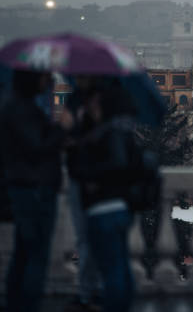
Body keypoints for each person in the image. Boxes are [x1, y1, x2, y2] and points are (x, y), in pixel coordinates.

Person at [0, 69, 72, 312]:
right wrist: (62, 128)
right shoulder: (22, 109)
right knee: (35, 257)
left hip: (26, 188)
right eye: (44, 77)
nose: (48, 81)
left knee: (23, 255)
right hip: (34, 190)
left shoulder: (16, 105)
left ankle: (15, 304)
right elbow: (37, 147)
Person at [70, 84, 137, 312]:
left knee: (112, 269)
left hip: (104, 207)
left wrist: (89, 175)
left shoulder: (105, 132)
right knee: (119, 265)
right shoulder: (124, 129)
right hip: (120, 207)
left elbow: (114, 165)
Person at [64, 77, 102, 312]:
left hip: (93, 182)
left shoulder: (99, 106)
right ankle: (90, 292)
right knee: (88, 241)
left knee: (91, 241)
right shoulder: (77, 102)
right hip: (85, 180)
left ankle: (90, 293)